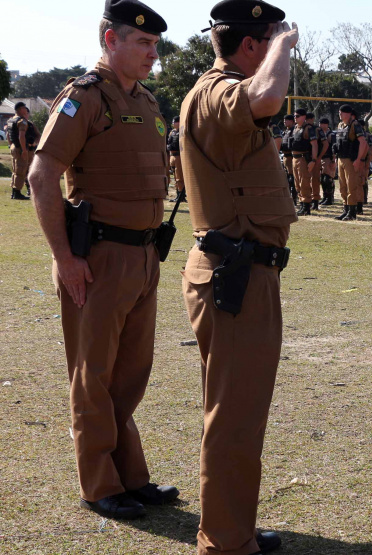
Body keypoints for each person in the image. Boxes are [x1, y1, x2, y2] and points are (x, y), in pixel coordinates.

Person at [28, 0, 179, 521]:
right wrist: (65, 259)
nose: (153, 54)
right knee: (93, 374)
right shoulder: (84, 98)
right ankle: (98, 484)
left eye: (156, 45)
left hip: (143, 256)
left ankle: (129, 476)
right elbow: (42, 177)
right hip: (97, 257)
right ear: (111, 41)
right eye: (143, 43)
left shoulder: (148, 102)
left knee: (130, 374)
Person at [179, 1, 298, 553]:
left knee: (237, 409)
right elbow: (268, 96)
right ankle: (226, 540)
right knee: (235, 415)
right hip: (236, 273)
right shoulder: (218, 90)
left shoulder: (220, 92)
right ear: (252, 45)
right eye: (269, 41)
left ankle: (232, 527)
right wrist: (285, 44)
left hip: (242, 271)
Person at [335, 105, 368, 221]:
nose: (340, 114)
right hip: (341, 158)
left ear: (348, 114)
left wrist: (359, 159)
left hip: (351, 160)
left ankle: (352, 212)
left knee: (351, 186)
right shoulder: (340, 125)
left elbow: (363, 143)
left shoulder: (355, 125)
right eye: (339, 112)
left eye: (342, 113)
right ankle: (346, 209)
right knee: (342, 186)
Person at [8, 102, 39, 200]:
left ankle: (14, 192)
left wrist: (12, 145)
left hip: (14, 147)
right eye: (25, 108)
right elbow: (21, 136)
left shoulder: (11, 120)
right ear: (21, 109)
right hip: (21, 148)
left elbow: (9, 136)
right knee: (21, 170)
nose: (26, 110)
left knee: (16, 170)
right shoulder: (22, 121)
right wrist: (24, 150)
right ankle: (17, 192)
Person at [290, 108, 317, 216]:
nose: (295, 118)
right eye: (294, 116)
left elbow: (314, 145)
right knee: (297, 183)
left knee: (304, 182)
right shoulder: (295, 128)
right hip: (294, 158)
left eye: (297, 116)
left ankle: (306, 206)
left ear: (304, 117)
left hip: (303, 158)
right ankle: (302, 204)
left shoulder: (308, 128)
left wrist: (313, 160)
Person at [318, 117, 336, 205]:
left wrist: (333, 160)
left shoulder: (331, 135)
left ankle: (330, 198)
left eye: (322, 124)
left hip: (328, 158)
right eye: (319, 124)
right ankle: (325, 196)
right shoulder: (320, 134)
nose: (320, 125)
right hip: (321, 158)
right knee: (322, 179)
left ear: (326, 125)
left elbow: (334, 147)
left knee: (328, 179)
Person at [167, 116, 183, 202]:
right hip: (172, 155)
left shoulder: (182, 132)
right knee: (175, 175)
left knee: (179, 176)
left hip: (179, 156)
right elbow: (169, 142)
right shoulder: (172, 132)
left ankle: (181, 195)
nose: (173, 123)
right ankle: (178, 194)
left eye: (175, 122)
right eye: (173, 122)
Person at [280, 113, 296, 202]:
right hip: (285, 157)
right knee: (286, 178)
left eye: (287, 120)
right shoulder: (286, 131)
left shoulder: (294, 131)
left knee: (292, 178)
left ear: (292, 121)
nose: (284, 122)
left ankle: (294, 198)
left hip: (291, 157)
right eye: (284, 120)